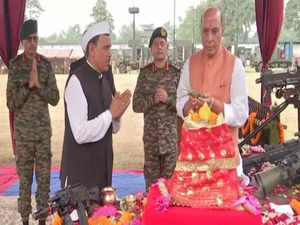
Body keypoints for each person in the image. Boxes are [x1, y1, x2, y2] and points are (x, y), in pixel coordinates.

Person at [176, 8, 249, 183]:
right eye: (205, 31)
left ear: (222, 29)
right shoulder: (190, 63)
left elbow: (241, 115)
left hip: (226, 161)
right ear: (200, 31)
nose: (209, 38)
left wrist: (216, 105)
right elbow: (180, 102)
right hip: (195, 162)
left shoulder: (235, 65)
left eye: (214, 31)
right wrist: (187, 107)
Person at [60, 22, 131, 192]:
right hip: (80, 178)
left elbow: (111, 127)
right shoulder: (76, 81)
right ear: (91, 49)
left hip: (102, 173)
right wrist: (110, 114)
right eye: (105, 48)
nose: (110, 54)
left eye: (110, 48)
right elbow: (80, 133)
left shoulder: (105, 78)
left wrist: (117, 115)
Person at [6, 19, 60, 225]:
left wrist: (39, 86)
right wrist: (29, 85)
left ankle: (42, 221)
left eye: (35, 39)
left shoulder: (45, 65)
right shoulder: (15, 66)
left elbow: (54, 98)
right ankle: (24, 219)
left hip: (43, 135)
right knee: (25, 182)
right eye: (28, 39)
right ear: (21, 42)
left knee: (44, 182)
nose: (32, 43)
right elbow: (11, 102)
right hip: (24, 137)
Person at [132, 27, 180, 191]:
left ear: (168, 47)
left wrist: (168, 100)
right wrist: (153, 99)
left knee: (170, 189)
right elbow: (136, 105)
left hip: (170, 142)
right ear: (151, 49)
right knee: (152, 190)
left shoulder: (175, 74)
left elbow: (183, 106)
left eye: (162, 44)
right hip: (151, 142)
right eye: (156, 44)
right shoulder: (144, 74)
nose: (159, 47)